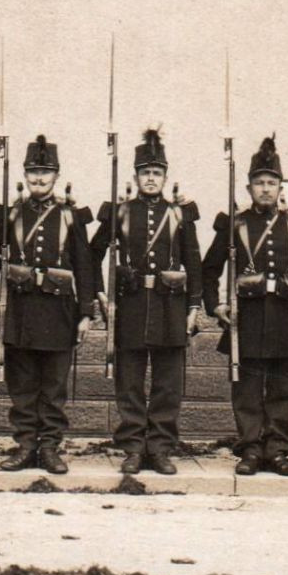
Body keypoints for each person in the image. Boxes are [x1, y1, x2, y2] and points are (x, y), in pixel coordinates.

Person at [200, 135, 288, 477]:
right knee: (248, 392)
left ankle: (279, 451)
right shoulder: (234, 225)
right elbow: (209, 270)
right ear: (249, 187)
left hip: (287, 319)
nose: (265, 189)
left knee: (284, 392)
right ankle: (250, 450)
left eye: (271, 182)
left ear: (281, 187)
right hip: (248, 320)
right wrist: (216, 307)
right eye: (259, 183)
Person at [0, 135, 95, 474]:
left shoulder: (71, 216)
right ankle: (26, 446)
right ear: (25, 176)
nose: (39, 179)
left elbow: (85, 266)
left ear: (57, 176)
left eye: (45, 173)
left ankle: (50, 448)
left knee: (54, 387)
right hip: (21, 313)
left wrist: (85, 312)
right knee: (23, 386)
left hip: (60, 314)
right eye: (33, 173)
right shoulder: (11, 214)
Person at [90, 128, 203, 475]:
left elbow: (194, 261)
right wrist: (100, 295)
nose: (150, 178)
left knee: (168, 383)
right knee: (130, 381)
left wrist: (194, 306)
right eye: (145, 173)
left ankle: (160, 447)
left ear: (166, 177)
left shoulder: (180, 214)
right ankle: (133, 447)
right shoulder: (120, 213)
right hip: (131, 305)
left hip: (170, 306)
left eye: (156, 173)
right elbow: (90, 255)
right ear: (135, 176)